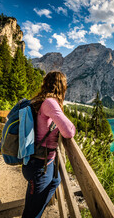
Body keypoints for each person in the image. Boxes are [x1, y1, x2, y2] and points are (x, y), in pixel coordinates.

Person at [22, 71, 75, 218]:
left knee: (55, 181)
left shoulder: (41, 100)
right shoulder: (50, 102)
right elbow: (69, 132)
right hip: (39, 165)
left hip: (44, 162)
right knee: (31, 212)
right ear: (61, 86)